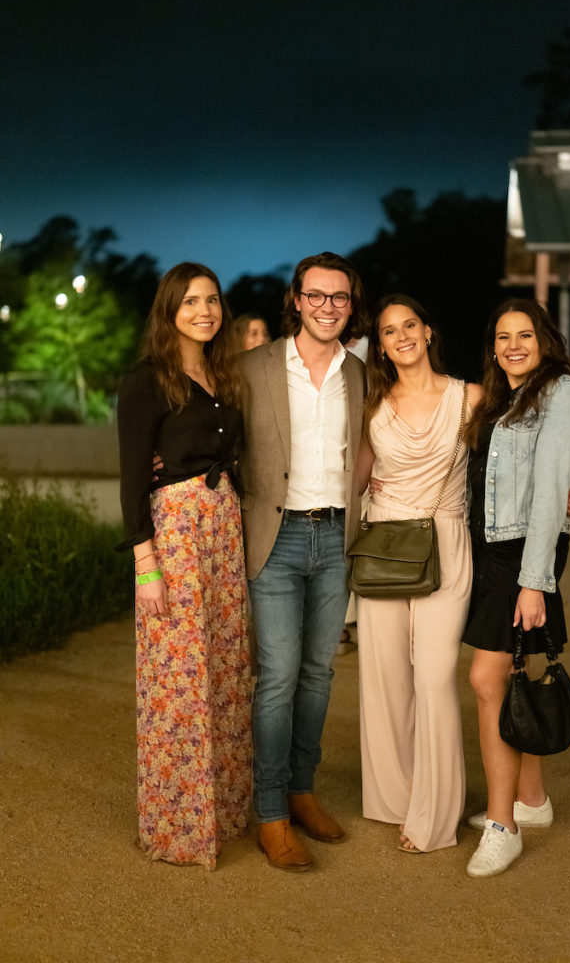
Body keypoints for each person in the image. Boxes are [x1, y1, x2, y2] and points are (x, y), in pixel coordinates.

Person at [117, 262, 252, 869]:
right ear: (169, 308)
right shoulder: (147, 381)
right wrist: (145, 565)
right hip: (174, 533)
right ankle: (178, 826)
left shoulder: (224, 374)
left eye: (213, 300)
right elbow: (130, 479)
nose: (205, 310)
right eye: (191, 301)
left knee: (223, 667)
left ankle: (223, 811)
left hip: (223, 524)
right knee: (177, 679)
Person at [239, 251, 366, 871]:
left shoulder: (361, 372)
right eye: (316, 296)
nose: (327, 307)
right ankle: (269, 813)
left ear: (350, 305)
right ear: (295, 299)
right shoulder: (253, 367)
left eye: (338, 298)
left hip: (337, 538)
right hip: (276, 538)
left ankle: (302, 789)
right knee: (280, 676)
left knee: (320, 673)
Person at [463, 298, 570, 878]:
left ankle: (502, 826)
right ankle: (531, 801)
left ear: (544, 341)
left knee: (486, 678)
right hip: (494, 548)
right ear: (493, 346)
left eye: (525, 335)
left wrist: (534, 582)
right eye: (503, 336)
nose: (513, 345)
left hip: (521, 554)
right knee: (515, 670)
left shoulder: (559, 393)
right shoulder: (504, 398)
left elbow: (548, 490)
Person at [354, 295, 482, 854]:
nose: (401, 336)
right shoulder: (372, 401)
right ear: (379, 345)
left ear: (428, 332)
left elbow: (514, 452)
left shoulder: (471, 397)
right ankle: (394, 798)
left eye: (410, 325)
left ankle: (435, 816)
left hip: (446, 543)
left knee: (432, 678)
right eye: (389, 330)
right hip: (383, 541)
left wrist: (561, 494)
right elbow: (351, 476)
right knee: (383, 677)